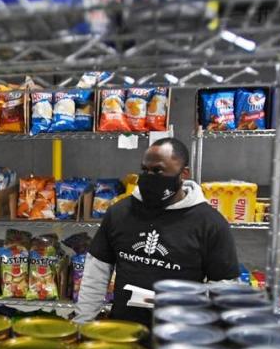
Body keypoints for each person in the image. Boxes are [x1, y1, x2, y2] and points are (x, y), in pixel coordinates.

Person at [74, 137, 239, 326]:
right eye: (145, 170)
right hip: (125, 331)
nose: (149, 176)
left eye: (158, 170)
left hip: (180, 334)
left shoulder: (210, 223)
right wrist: (82, 323)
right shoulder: (120, 213)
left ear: (183, 173)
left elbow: (224, 287)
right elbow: (97, 272)